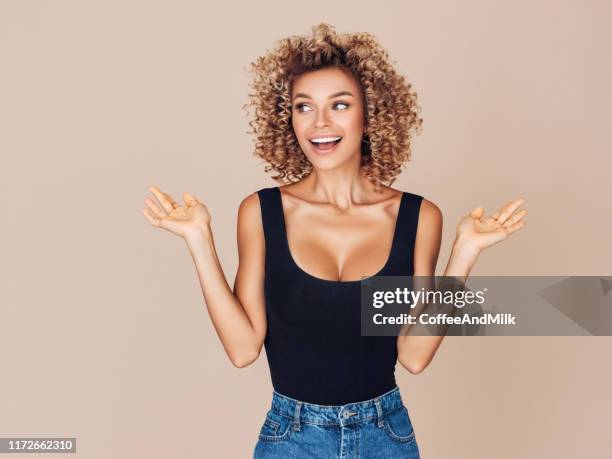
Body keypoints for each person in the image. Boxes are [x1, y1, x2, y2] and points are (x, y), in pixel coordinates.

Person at [142, 23, 527, 459]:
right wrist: (198, 240)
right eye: (304, 107)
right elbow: (243, 347)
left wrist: (465, 254)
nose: (320, 123)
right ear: (288, 119)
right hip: (291, 437)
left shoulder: (418, 217)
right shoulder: (262, 212)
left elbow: (415, 356)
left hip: (387, 436)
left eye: (339, 105)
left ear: (370, 115)